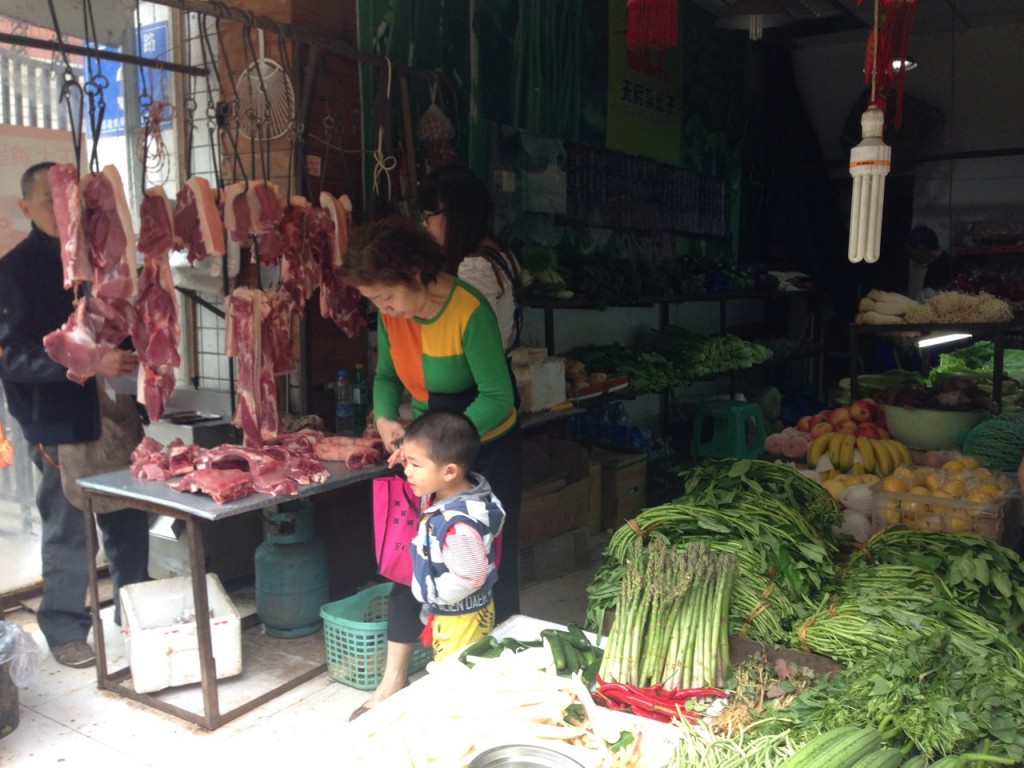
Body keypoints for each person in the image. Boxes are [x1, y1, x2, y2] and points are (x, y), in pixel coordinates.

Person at [339, 215, 522, 718]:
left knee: (483, 570)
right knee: (409, 559)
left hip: (482, 446)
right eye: (376, 300)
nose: (384, 308)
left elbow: (498, 396)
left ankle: (496, 680)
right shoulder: (392, 313)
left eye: (385, 296)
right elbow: (383, 377)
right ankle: (393, 681)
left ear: (416, 273)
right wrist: (382, 418)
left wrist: (442, 446)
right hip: (424, 452)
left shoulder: (469, 310)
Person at [0, 162, 150, 668]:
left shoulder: (102, 259)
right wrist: (89, 361)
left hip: (115, 408)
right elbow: (11, 357)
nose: (68, 217)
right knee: (67, 525)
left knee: (129, 516)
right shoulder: (14, 272)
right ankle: (65, 627)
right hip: (56, 419)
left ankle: (135, 610)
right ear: (26, 209)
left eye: (74, 207)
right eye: (52, 205)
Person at [400, 409, 505, 661]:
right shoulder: (459, 494)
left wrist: (432, 594)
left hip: (460, 618)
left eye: (415, 465)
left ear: (448, 472)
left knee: (455, 674)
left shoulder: (457, 526)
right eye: (406, 462)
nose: (407, 472)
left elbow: (472, 576)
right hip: (462, 612)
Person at [416, 163, 522, 354]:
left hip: (478, 379)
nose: (424, 224)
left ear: (454, 214)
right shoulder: (500, 254)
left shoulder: (475, 267)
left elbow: (476, 341)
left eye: (428, 215)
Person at [906, 225, 957, 300]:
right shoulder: (942, 262)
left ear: (921, 249)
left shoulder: (942, 267)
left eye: (911, 252)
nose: (911, 257)